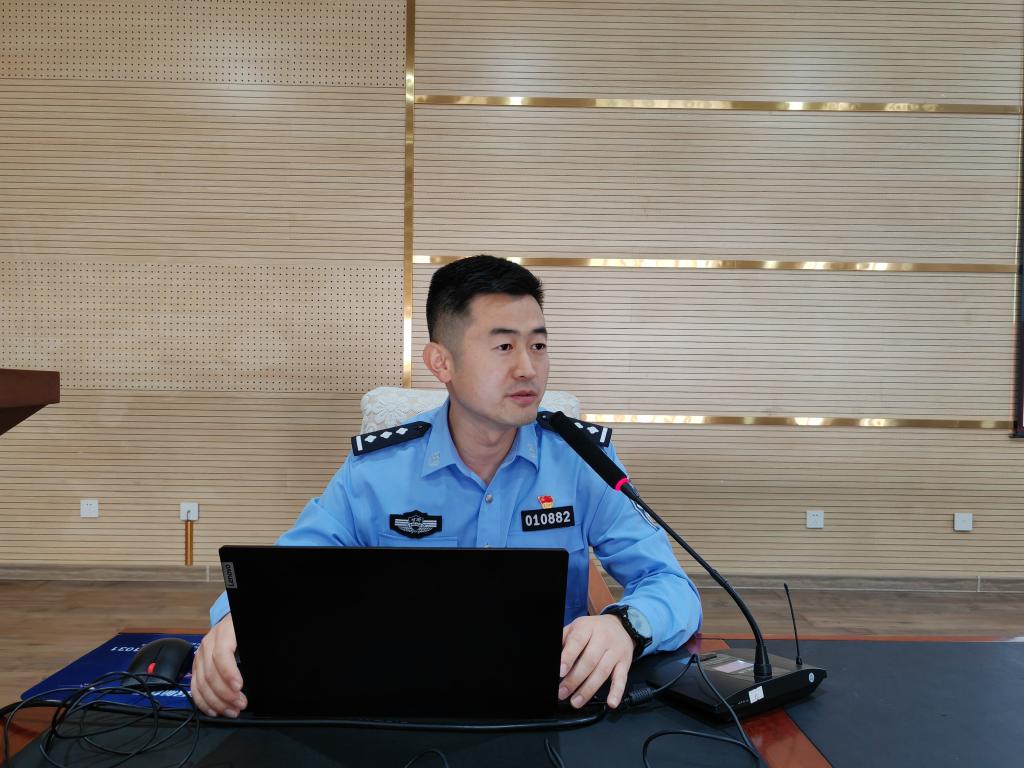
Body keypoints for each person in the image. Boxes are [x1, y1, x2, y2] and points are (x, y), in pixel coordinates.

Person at [191, 255, 702, 718]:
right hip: (401, 701)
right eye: (504, 346)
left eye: (538, 345)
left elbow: (671, 585)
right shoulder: (377, 471)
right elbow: (282, 575)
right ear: (442, 363)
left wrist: (626, 626)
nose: (528, 368)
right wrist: (235, 623)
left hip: (547, 703)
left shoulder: (581, 461)